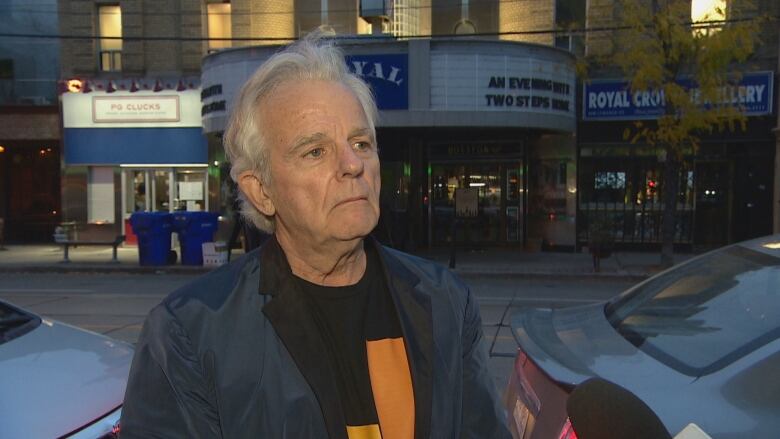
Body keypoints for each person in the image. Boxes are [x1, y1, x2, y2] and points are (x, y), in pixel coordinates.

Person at [120, 33, 510, 439]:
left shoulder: (446, 301)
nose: (352, 164)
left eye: (361, 143)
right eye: (315, 151)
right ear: (261, 190)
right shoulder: (189, 332)